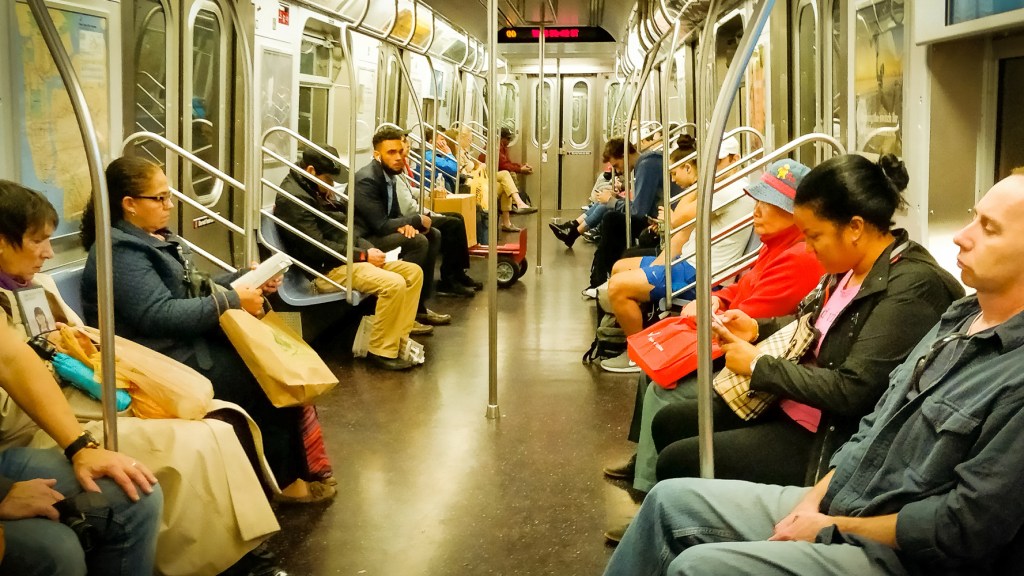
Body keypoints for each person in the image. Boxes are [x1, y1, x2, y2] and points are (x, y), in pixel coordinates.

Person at [603, 170, 1024, 576]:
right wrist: (816, 501)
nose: (961, 235)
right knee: (667, 499)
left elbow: (962, 525)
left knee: (694, 563)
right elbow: (875, 425)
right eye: (973, 218)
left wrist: (831, 525)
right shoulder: (958, 317)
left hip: (890, 539)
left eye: (988, 228)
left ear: (854, 228)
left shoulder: (918, 291)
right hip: (850, 488)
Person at [0, 180, 283, 575]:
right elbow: (16, 384)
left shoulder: (40, 285)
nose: (48, 252)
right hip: (43, 419)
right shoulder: (121, 252)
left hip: (81, 391)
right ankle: (219, 560)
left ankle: (240, 551)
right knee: (190, 444)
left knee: (219, 423)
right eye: (37, 241)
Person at [649, 154, 964, 492]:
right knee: (669, 422)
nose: (809, 248)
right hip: (788, 400)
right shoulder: (847, 268)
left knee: (677, 460)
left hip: (826, 435)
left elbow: (852, 391)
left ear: (855, 227)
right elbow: (814, 325)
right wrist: (757, 328)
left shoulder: (912, 289)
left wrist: (757, 365)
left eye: (814, 236)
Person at [80, 157, 336, 505]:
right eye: (159, 198)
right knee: (266, 381)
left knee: (275, 370)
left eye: (169, 196)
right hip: (154, 360)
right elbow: (158, 314)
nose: (169, 205)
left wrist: (244, 279)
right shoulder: (119, 252)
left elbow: (192, 288)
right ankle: (286, 483)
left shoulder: (152, 240)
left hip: (182, 344)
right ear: (129, 204)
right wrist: (232, 300)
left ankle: (289, 472)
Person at [603, 159, 826, 503]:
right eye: (758, 202)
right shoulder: (774, 245)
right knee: (652, 370)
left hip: (749, 355)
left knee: (664, 389)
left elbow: (750, 319)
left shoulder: (798, 258)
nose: (757, 211)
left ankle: (647, 487)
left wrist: (713, 312)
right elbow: (740, 290)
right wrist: (717, 299)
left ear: (798, 213)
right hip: (735, 340)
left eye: (770, 205)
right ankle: (644, 457)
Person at [599, 137, 755, 373]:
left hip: (701, 274)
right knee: (621, 266)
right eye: (709, 163)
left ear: (735, 159)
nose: (713, 168)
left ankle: (638, 356)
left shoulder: (730, 190)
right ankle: (642, 332)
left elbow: (678, 216)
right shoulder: (722, 186)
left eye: (718, 162)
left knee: (618, 286)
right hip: (689, 262)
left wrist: (701, 183)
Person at [274, 144, 427, 370]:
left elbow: (346, 230)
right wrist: (363, 255)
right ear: (311, 171)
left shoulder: (316, 190)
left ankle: (398, 340)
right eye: (329, 179)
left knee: (413, 273)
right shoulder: (294, 199)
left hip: (347, 260)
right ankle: (381, 349)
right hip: (325, 270)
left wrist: (368, 251)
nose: (332, 185)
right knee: (393, 284)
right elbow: (317, 248)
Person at [353, 126, 452, 326]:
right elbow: (380, 225)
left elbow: (395, 214)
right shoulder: (367, 180)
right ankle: (404, 314)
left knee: (433, 234)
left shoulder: (389, 175)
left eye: (400, 151)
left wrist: (404, 225)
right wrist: (414, 221)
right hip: (364, 238)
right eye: (391, 152)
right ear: (377, 155)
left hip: (379, 231)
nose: (398, 157)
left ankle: (419, 307)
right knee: (418, 242)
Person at [453, 125, 535, 231]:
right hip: (474, 181)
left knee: (504, 183)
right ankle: (518, 204)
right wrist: (480, 167)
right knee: (505, 175)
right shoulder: (460, 153)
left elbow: (505, 162)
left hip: (480, 177)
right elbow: (465, 173)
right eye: (469, 139)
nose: (471, 141)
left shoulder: (465, 152)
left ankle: (508, 221)